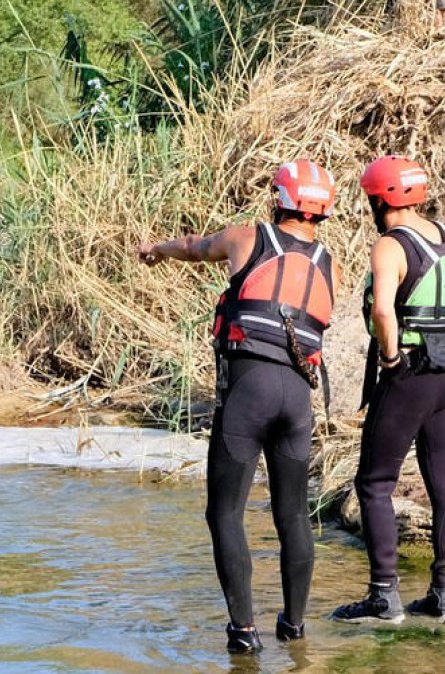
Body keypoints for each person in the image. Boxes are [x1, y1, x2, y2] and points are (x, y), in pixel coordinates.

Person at [138, 160, 341, 653]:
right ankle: (294, 628)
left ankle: (243, 633)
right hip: (297, 400)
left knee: (224, 513)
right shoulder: (328, 263)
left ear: (279, 199)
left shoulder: (246, 239)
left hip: (248, 395)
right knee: (292, 515)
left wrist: (155, 250)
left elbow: (193, 248)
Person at [330, 156, 445, 624]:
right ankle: (442, 594)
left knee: (373, 484)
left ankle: (383, 596)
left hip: (408, 375)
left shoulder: (390, 246)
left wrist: (390, 358)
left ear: (377, 199)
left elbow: (384, 313)